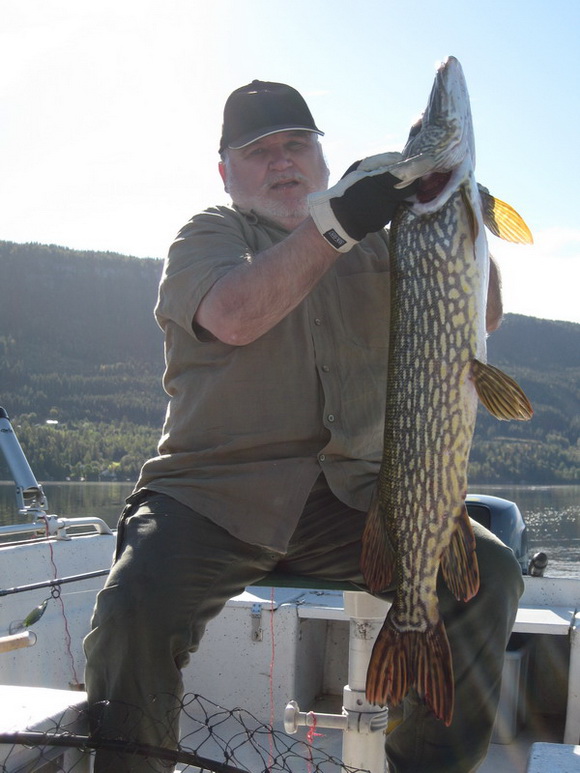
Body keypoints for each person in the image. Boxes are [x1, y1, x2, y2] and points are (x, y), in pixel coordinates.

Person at [84, 80, 523, 773]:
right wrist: (337, 223)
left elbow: (484, 313)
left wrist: (458, 211)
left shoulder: (383, 242)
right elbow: (234, 314)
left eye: (297, 145)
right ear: (226, 171)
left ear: (322, 158)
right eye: (260, 152)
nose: (282, 162)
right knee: (133, 610)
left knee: (486, 574)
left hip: (356, 499)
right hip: (209, 497)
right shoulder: (208, 237)